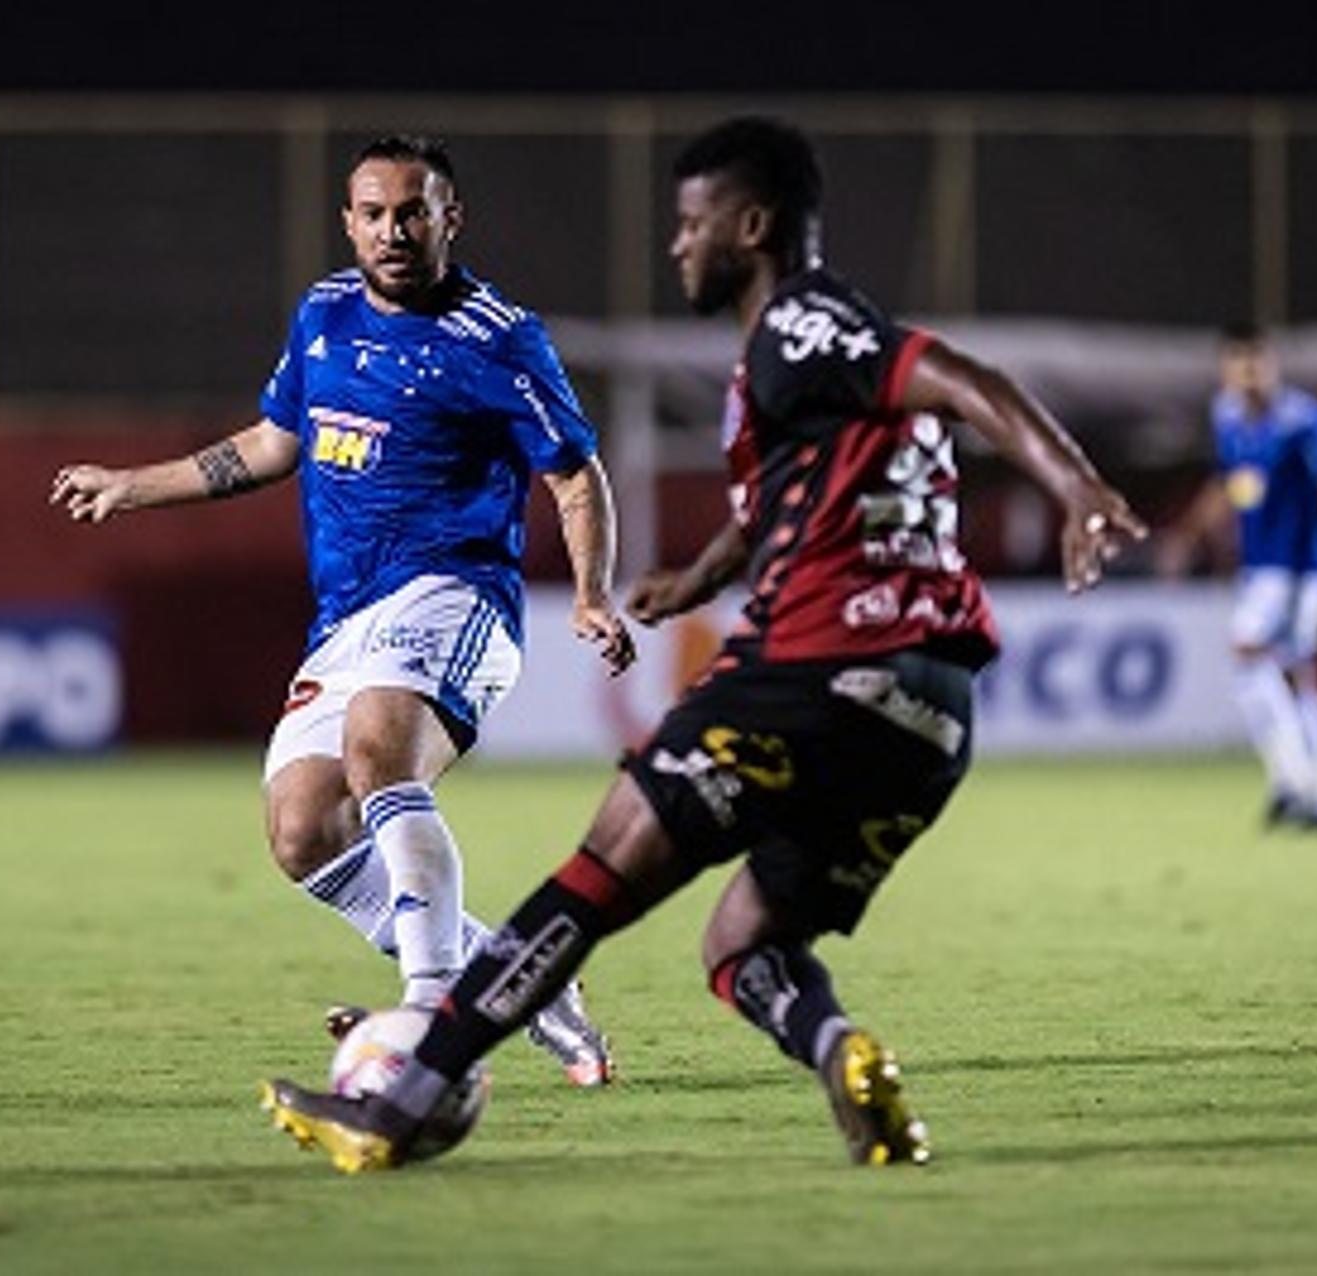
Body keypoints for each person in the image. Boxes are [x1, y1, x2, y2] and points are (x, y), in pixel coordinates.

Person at [259, 115, 1145, 1173]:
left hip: (818, 673)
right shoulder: (786, 373)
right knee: (743, 946)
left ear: (753, 226)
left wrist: (1080, 487)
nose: (678, 244)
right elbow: (786, 503)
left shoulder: (804, 323)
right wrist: (700, 577)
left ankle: (402, 1092)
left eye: (693, 223)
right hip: (934, 715)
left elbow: (958, 376)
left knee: (589, 885)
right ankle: (843, 1051)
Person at [51, 134, 635, 1086]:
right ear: (349, 222)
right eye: (374, 214)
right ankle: (527, 987)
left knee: (377, 750)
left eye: (413, 211)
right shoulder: (322, 315)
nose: (393, 231)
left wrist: (594, 594)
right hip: (347, 618)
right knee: (302, 833)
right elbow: (276, 442)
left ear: (452, 218)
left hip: (457, 596)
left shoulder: (497, 338)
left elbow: (574, 475)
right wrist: (133, 485)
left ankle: (430, 1015)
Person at [1155, 323, 1317, 832]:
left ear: (1273, 365)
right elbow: (1228, 484)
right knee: (1293, 678)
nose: (1249, 374)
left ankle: (1300, 785)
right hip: (1261, 570)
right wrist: (1188, 537)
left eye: (1258, 362)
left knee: (1254, 657)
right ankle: (1311, 794)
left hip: (1302, 570)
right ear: (1226, 369)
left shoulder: (1304, 421)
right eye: (1239, 363)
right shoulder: (1227, 415)